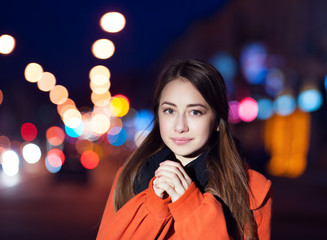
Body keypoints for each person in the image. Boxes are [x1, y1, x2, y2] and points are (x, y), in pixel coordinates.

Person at [97, 59, 272, 240]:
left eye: (195, 112)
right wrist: (153, 206)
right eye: (169, 111)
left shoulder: (252, 188)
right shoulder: (129, 175)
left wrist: (190, 206)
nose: (180, 127)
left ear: (217, 121)